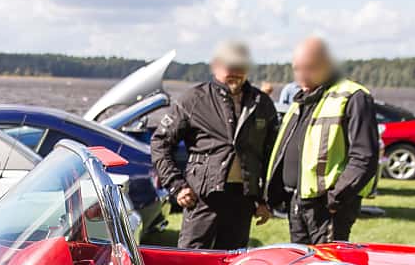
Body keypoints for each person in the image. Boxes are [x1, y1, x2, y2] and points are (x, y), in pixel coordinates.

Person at [147, 41, 278, 250]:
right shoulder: (194, 99)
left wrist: (266, 200)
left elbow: (272, 154)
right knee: (191, 260)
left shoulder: (262, 103)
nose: (235, 72)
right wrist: (176, 185)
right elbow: (160, 143)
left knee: (232, 263)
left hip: (242, 200)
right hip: (202, 197)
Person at [265, 37, 378, 245]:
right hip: (297, 201)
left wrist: (336, 198)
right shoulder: (303, 99)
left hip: (327, 207)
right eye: (297, 69)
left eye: (308, 69)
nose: (301, 76)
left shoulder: (353, 96)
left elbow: (365, 156)